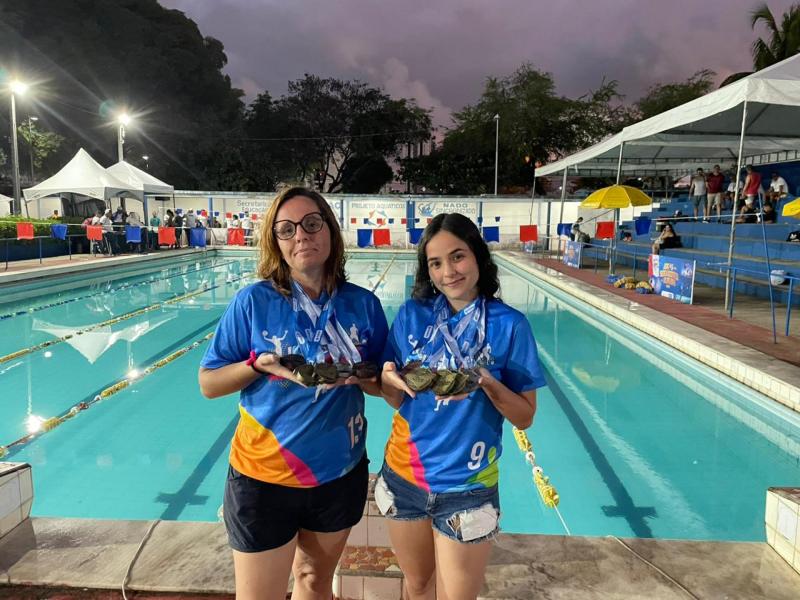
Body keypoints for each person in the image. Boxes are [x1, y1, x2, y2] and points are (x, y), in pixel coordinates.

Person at [198, 187, 388, 600]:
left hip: (339, 472)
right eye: (287, 229)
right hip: (263, 474)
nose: (301, 235)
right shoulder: (253, 302)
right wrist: (256, 366)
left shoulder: (364, 305)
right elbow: (209, 383)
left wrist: (363, 377)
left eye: (312, 223)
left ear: (330, 231)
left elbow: (382, 385)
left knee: (315, 582)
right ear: (276, 242)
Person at [378, 213, 546, 600]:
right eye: (435, 263)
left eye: (457, 257)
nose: (448, 272)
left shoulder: (510, 325)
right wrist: (386, 381)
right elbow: (395, 398)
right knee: (418, 587)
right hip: (405, 475)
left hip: (467, 487)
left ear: (477, 256)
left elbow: (525, 417)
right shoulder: (412, 315)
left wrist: (486, 382)